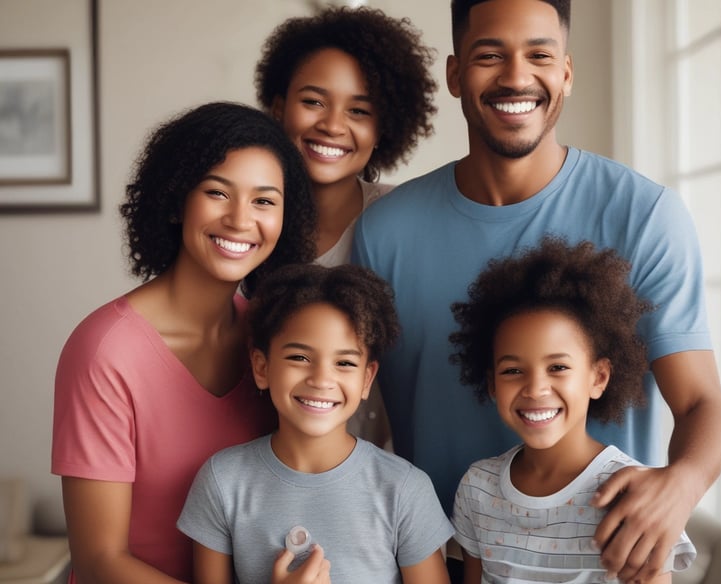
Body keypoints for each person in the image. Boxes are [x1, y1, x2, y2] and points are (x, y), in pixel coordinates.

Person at [351, 0, 721, 581]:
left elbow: (702, 404)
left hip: (602, 560)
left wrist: (680, 485)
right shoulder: (384, 232)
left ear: (566, 72)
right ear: (455, 74)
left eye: (539, 55)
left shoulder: (646, 215)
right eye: (489, 55)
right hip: (439, 561)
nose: (515, 76)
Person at [51, 102, 316, 583]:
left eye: (264, 201)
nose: (240, 220)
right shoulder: (104, 351)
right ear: (176, 200)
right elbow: (98, 561)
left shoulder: (273, 340)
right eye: (217, 192)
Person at [177, 263, 454, 584]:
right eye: (300, 358)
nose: (322, 379)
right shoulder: (222, 482)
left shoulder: (405, 490)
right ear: (262, 367)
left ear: (367, 379)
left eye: (345, 363)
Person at [449, 237, 696, 583]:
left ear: (599, 377)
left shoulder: (634, 497)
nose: (535, 388)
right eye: (512, 371)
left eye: (558, 368)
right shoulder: (478, 488)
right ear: (492, 384)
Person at [255, 5, 438, 449]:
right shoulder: (249, 222)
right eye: (313, 101)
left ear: (383, 129)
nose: (332, 125)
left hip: (387, 480)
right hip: (268, 472)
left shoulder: (410, 218)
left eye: (359, 110)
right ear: (279, 107)